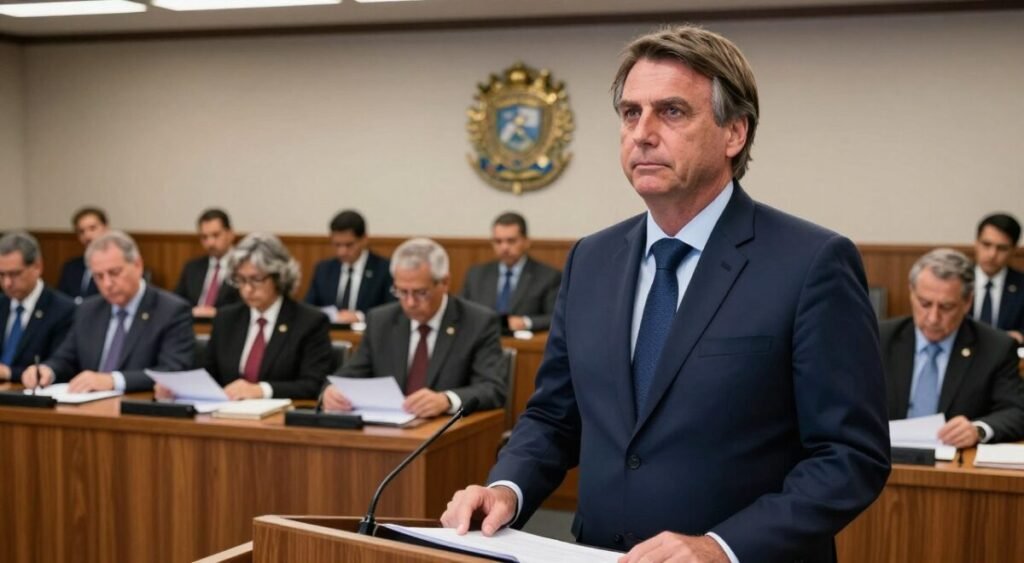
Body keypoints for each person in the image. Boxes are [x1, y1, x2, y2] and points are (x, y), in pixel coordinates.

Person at [441, 25, 890, 563]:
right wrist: (506, 489)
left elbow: (849, 456)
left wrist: (721, 547)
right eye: (631, 113)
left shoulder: (811, 262)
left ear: (735, 133)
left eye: (672, 112)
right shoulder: (591, 260)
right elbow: (555, 417)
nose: (642, 133)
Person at [322, 238, 506, 418]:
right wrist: (331, 392)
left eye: (420, 292)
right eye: (401, 292)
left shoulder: (478, 322)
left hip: (447, 435)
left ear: (444, 282)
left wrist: (446, 400)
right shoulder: (381, 320)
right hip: (390, 433)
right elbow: (349, 375)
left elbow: (492, 388)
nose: (410, 302)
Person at [159, 233, 332, 401]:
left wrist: (261, 390)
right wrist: (178, 387)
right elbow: (207, 375)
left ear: (279, 277)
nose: (247, 289)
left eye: (256, 279)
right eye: (240, 280)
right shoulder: (226, 319)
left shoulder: (310, 322)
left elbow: (313, 384)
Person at [881, 248, 1024, 447]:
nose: (933, 318)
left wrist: (978, 430)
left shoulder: (996, 347)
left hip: (955, 466)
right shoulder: (880, 338)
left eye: (946, 307)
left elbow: (1016, 411)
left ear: (967, 302)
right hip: (885, 460)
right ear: (911, 293)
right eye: (924, 303)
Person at [21, 231, 193, 393]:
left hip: (138, 409)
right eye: (99, 276)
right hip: (88, 406)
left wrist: (113, 381)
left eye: (114, 273)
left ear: (138, 265)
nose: (107, 284)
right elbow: (66, 358)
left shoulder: (171, 310)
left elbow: (172, 371)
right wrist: (47, 370)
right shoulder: (88, 310)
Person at [461, 212, 561, 332]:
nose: (504, 248)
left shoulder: (548, 276)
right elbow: (460, 311)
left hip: (525, 345)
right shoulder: (476, 275)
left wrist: (525, 322)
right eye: (498, 241)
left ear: (526, 242)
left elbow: (555, 317)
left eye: (511, 241)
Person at [0, 232, 75, 383]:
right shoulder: (2, 304)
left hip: (33, 397)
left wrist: (9, 373)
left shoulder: (63, 309)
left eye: (15, 274)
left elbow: (61, 366)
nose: (7, 283)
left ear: (37, 267)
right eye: (1, 275)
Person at [304, 210, 394, 324]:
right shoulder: (324, 270)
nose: (342, 252)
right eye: (337, 245)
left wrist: (360, 316)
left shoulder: (384, 269)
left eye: (349, 245)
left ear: (364, 239)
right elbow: (309, 308)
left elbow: (391, 310)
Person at [173, 208, 241, 318]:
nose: (210, 243)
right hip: (193, 326)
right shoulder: (192, 268)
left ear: (231, 234)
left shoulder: (242, 267)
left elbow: (244, 307)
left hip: (227, 326)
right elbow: (177, 302)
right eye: (204, 237)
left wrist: (217, 313)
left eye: (216, 235)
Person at [972, 213, 1024, 344]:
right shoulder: (957, 280)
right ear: (976, 243)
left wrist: (1020, 336)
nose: (992, 254)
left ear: (1013, 250)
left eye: (1002, 248)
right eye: (986, 244)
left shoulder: (1021, 285)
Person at [56, 206, 108, 303]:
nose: (87, 236)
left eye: (92, 228)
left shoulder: (115, 264)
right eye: (81, 232)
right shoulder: (71, 267)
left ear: (105, 229)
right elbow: (61, 300)